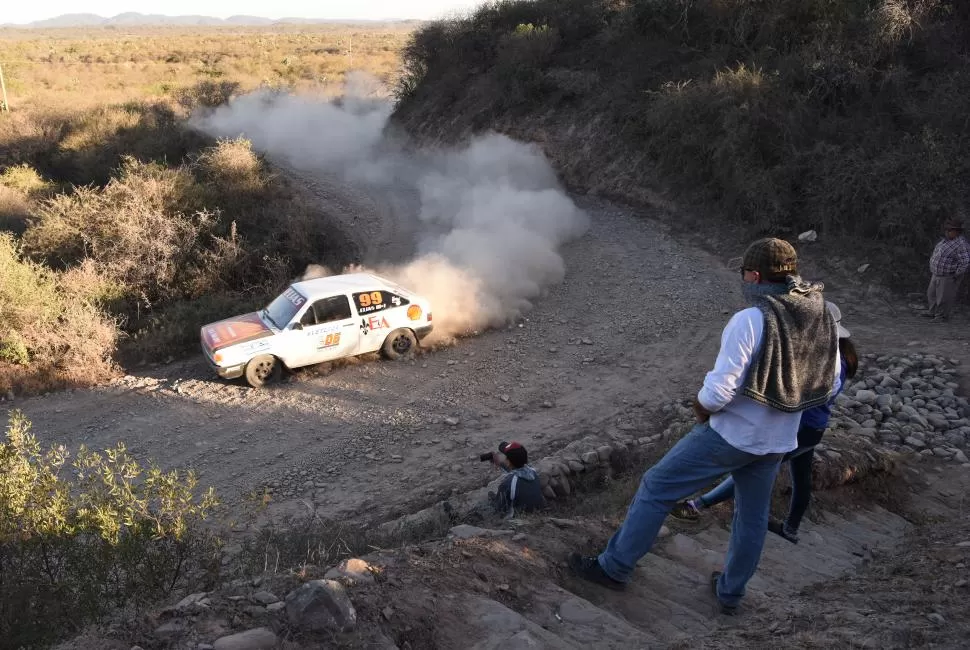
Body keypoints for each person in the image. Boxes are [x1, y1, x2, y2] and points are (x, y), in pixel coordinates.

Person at [568, 237, 841, 615]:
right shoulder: (820, 314)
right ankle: (730, 593)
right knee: (751, 516)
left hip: (733, 434)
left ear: (755, 276)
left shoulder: (752, 319)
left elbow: (718, 392)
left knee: (656, 486)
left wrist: (701, 409)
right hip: (779, 439)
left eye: (744, 273)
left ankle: (613, 568)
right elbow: (833, 377)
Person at [669, 301, 858, 544]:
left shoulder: (831, 362)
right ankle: (791, 529)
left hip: (802, 429)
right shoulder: (835, 357)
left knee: (748, 471)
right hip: (812, 429)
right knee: (801, 479)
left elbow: (803, 396)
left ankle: (697, 505)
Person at [924, 216, 969, 321]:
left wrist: (956, 274)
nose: (947, 232)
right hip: (936, 273)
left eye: (950, 230)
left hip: (948, 276)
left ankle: (941, 317)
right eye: (947, 229)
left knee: (943, 298)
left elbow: (965, 262)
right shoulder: (945, 241)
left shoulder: (961, 244)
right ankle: (933, 313)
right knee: (931, 294)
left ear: (957, 231)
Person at [487, 441, 545, 517]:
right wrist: (500, 464)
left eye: (505, 456)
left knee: (489, 500)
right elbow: (517, 470)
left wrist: (493, 500)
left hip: (518, 518)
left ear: (508, 461)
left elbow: (499, 509)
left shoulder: (507, 484)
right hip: (536, 512)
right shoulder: (533, 472)